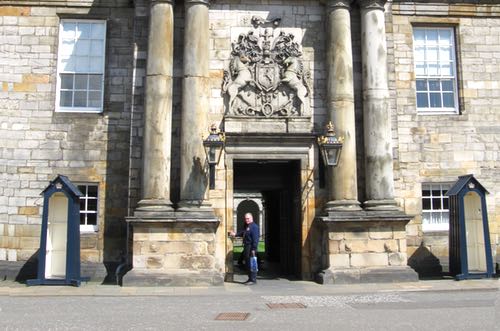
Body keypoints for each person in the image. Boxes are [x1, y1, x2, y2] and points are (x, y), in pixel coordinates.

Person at [230, 212, 259, 285]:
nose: (247, 220)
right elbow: (242, 232)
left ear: (251, 218)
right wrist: (235, 234)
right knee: (248, 264)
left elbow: (255, 239)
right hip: (246, 247)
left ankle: (253, 279)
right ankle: (250, 278)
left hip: (251, 247)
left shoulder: (254, 227)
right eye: (246, 218)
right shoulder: (247, 226)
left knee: (252, 264)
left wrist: (253, 249)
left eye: (248, 218)